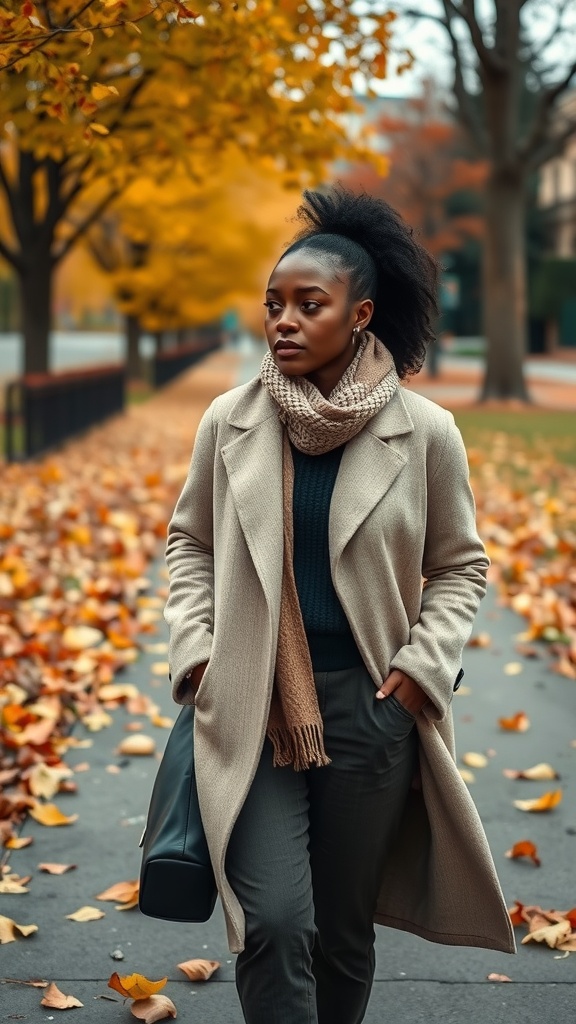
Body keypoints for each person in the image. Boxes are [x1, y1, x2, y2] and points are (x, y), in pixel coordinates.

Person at [164, 186, 515, 1024]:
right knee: (275, 924)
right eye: (273, 305)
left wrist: (413, 679)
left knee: (342, 933)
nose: (282, 321)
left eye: (307, 305)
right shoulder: (230, 420)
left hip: (369, 707)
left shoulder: (425, 431)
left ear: (359, 316)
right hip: (251, 701)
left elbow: (461, 567)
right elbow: (191, 543)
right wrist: (200, 654)